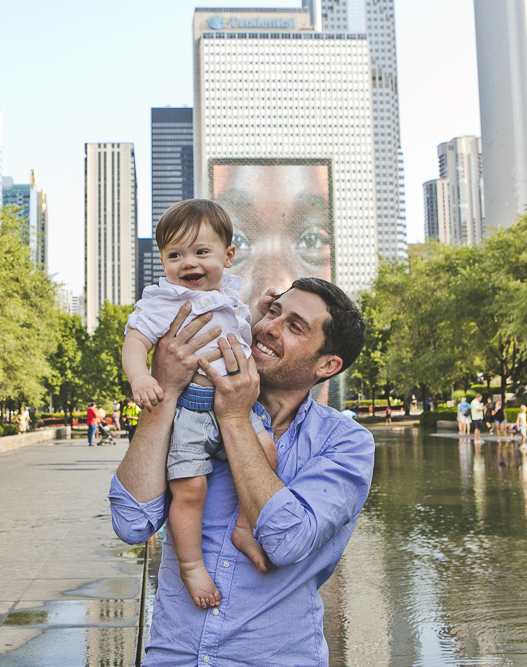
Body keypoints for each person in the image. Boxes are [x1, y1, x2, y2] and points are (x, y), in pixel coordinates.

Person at [110, 277, 373, 665]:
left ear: (327, 365)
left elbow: (286, 542)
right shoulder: (188, 414)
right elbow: (131, 523)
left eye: (294, 326)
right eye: (273, 311)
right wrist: (164, 395)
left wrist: (234, 419)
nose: (268, 327)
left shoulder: (346, 443)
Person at [121, 199, 279, 608]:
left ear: (228, 257)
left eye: (200, 252)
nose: (187, 262)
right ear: (162, 260)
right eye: (175, 254)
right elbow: (135, 341)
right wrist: (141, 376)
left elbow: (242, 330)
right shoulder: (164, 300)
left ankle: (246, 526)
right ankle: (191, 566)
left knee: (267, 454)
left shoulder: (229, 295)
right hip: (191, 410)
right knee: (189, 489)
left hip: (237, 407)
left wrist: (261, 311)